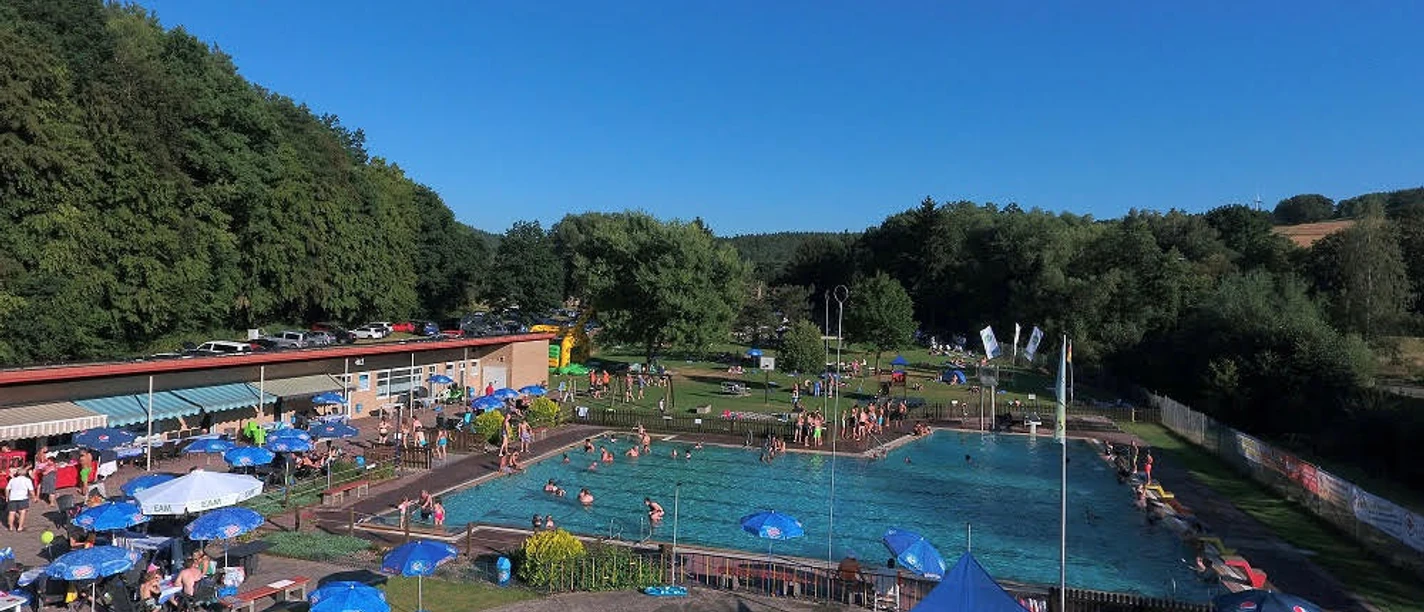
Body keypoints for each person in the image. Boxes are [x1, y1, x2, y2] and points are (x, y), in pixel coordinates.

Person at [6, 466, 34, 531]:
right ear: (25, 473)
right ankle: (20, 527)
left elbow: (7, 489)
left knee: (11, 512)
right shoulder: (27, 480)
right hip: (23, 498)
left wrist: (7, 497)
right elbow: (31, 490)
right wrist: (34, 497)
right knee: (22, 512)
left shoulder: (12, 480)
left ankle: (10, 527)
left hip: (12, 498)